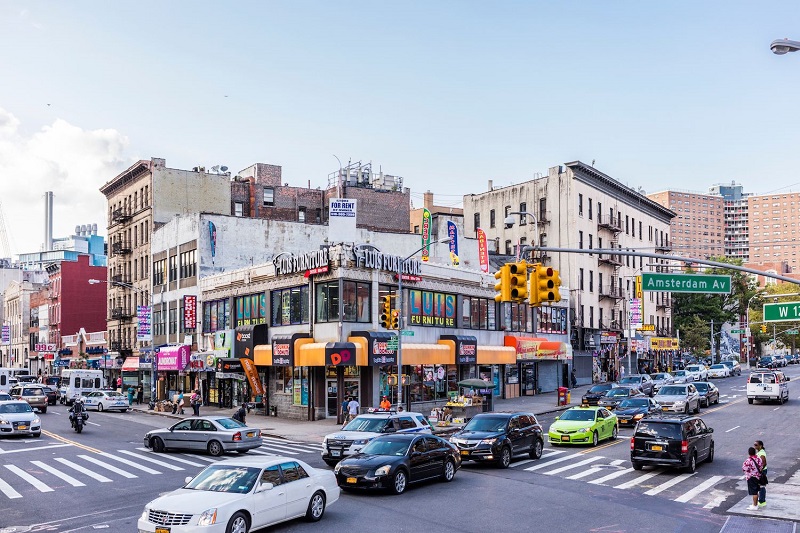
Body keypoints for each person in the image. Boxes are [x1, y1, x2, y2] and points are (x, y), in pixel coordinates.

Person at [742, 446, 763, 511]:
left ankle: (755, 505)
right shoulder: (759, 459)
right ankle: (755, 504)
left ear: (749, 453)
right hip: (758, 477)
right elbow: (761, 466)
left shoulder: (748, 460)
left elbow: (744, 468)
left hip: (751, 477)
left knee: (754, 492)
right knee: (756, 491)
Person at [755, 440, 768, 508]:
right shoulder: (760, 452)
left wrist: (760, 470)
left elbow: (764, 463)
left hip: (762, 472)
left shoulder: (762, 453)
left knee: (761, 486)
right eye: (754, 445)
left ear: (761, 446)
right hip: (762, 471)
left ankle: (762, 501)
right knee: (760, 486)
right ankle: (761, 500)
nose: (755, 446)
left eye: (756, 445)